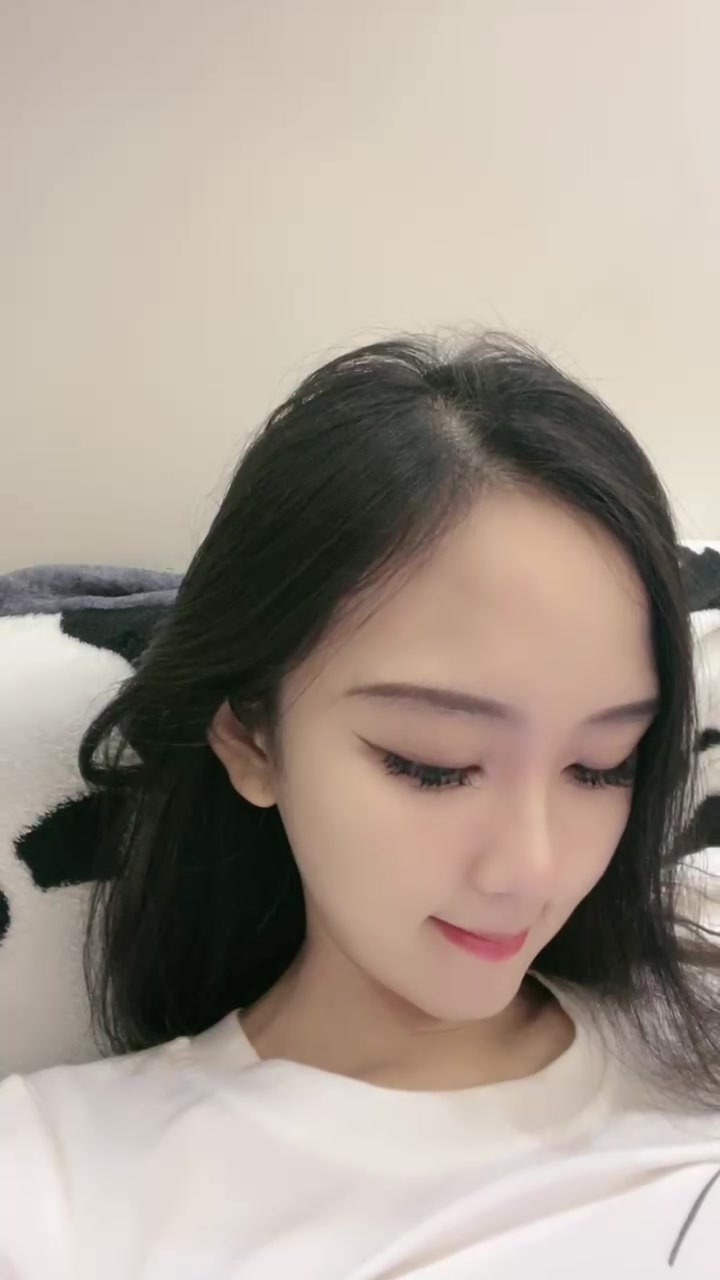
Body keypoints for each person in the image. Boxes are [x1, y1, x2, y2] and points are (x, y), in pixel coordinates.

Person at [2, 333, 719, 1278]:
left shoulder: (696, 980)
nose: (532, 869)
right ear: (252, 738)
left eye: (601, 766)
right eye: (433, 766)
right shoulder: (55, 1187)